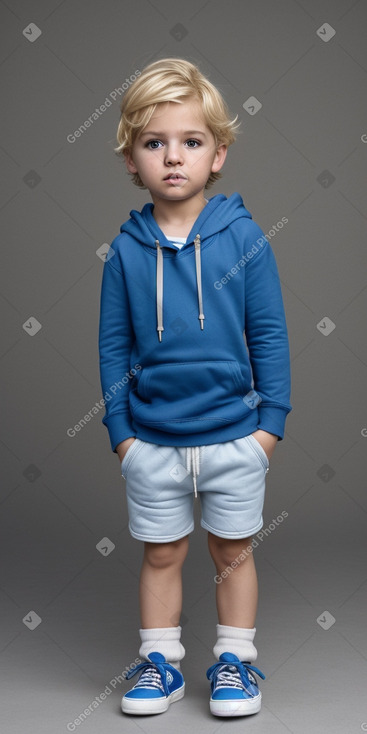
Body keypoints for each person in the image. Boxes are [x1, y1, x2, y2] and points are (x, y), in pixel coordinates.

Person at [98, 57, 292, 718]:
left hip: (234, 437)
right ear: (131, 158)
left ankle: (234, 663)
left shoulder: (244, 238)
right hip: (151, 439)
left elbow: (268, 335)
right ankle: (161, 666)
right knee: (161, 554)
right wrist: (121, 433)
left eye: (190, 142)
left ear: (217, 154)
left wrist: (270, 426)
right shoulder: (125, 251)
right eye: (154, 143)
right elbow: (112, 347)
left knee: (233, 552)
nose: (172, 157)